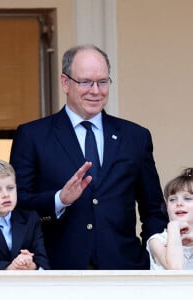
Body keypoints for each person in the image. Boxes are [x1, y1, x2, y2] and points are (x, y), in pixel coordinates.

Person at [10, 44, 168, 270]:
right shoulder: (32, 135)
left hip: (125, 271)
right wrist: (59, 200)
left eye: (102, 82)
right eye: (85, 82)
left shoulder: (135, 137)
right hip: (57, 271)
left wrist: (154, 260)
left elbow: (153, 211)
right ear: (65, 82)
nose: (95, 91)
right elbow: (18, 206)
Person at [147, 168, 193, 269]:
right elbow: (175, 268)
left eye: (188, 198)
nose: (179, 203)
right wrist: (173, 227)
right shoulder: (157, 241)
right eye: (172, 199)